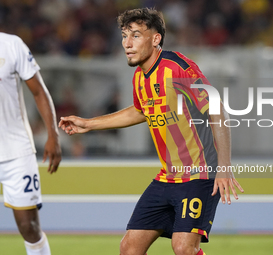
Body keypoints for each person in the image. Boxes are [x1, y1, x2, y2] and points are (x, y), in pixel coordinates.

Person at [59, 7, 243, 255]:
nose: (127, 43)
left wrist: (224, 166)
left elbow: (217, 110)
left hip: (199, 175)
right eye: (124, 36)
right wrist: (88, 124)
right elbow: (139, 111)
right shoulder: (139, 77)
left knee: (183, 247)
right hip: (167, 177)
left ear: (155, 39)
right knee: (130, 248)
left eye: (135, 35)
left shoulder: (177, 67)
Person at [0, 1, 61, 255]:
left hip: (16, 153)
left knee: (29, 226)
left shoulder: (11, 45)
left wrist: (52, 136)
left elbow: (39, 92)